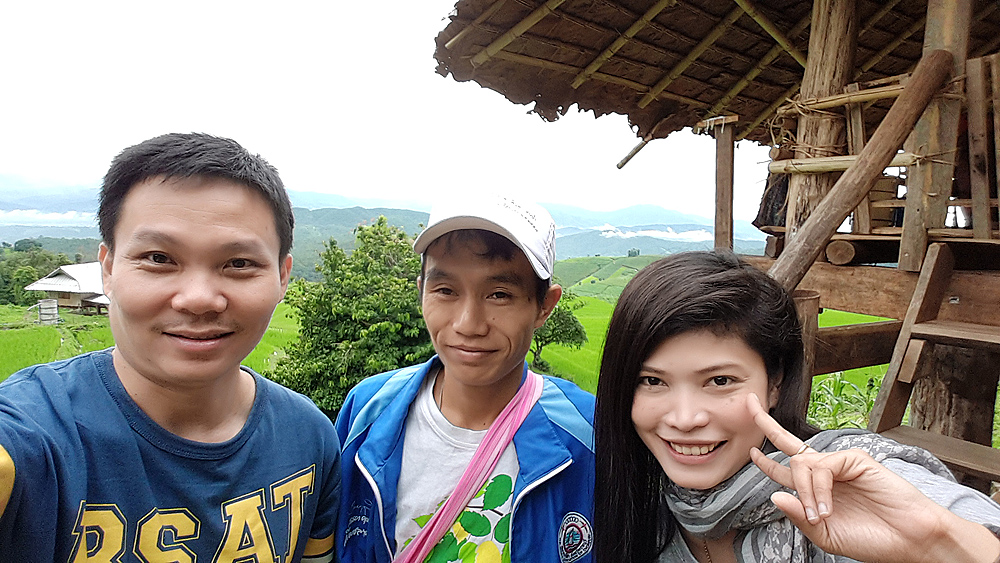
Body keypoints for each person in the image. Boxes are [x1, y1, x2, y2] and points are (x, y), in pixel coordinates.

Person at [0, 133, 341, 562]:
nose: (198, 299)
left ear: (282, 277)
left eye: (239, 263)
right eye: (159, 259)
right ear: (108, 270)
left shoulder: (308, 438)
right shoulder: (34, 438)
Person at [594, 250, 1000, 563]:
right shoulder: (642, 507)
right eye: (652, 381)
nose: (685, 419)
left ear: (775, 384)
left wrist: (935, 540)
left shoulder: (850, 483)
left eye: (720, 381)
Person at [336, 195, 595, 563]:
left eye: (500, 295)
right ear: (421, 291)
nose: (468, 324)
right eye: (445, 291)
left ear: (544, 307)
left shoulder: (588, 434)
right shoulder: (368, 409)